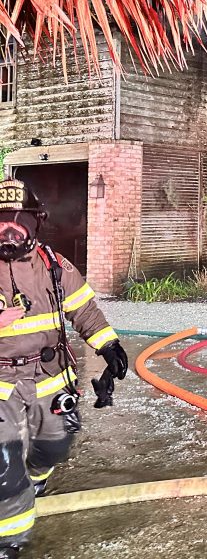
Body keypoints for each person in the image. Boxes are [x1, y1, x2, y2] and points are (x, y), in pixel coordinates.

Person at [0, 178, 128, 557]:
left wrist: (109, 345)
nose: (8, 229)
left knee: (56, 444)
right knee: (4, 464)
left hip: (51, 377)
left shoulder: (55, 267)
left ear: (35, 222)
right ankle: (11, 541)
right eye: (0, 220)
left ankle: (37, 479)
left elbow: (84, 310)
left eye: (18, 220)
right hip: (1, 381)